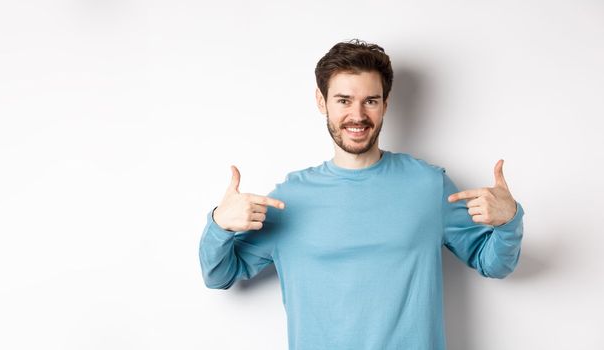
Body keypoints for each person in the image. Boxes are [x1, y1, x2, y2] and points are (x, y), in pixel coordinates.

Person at [198, 39, 524, 350]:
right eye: (343, 100)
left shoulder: (427, 185)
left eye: (370, 100)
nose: (358, 115)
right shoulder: (291, 198)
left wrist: (508, 222)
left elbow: (493, 264)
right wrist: (219, 226)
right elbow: (219, 275)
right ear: (321, 101)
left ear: (386, 103)